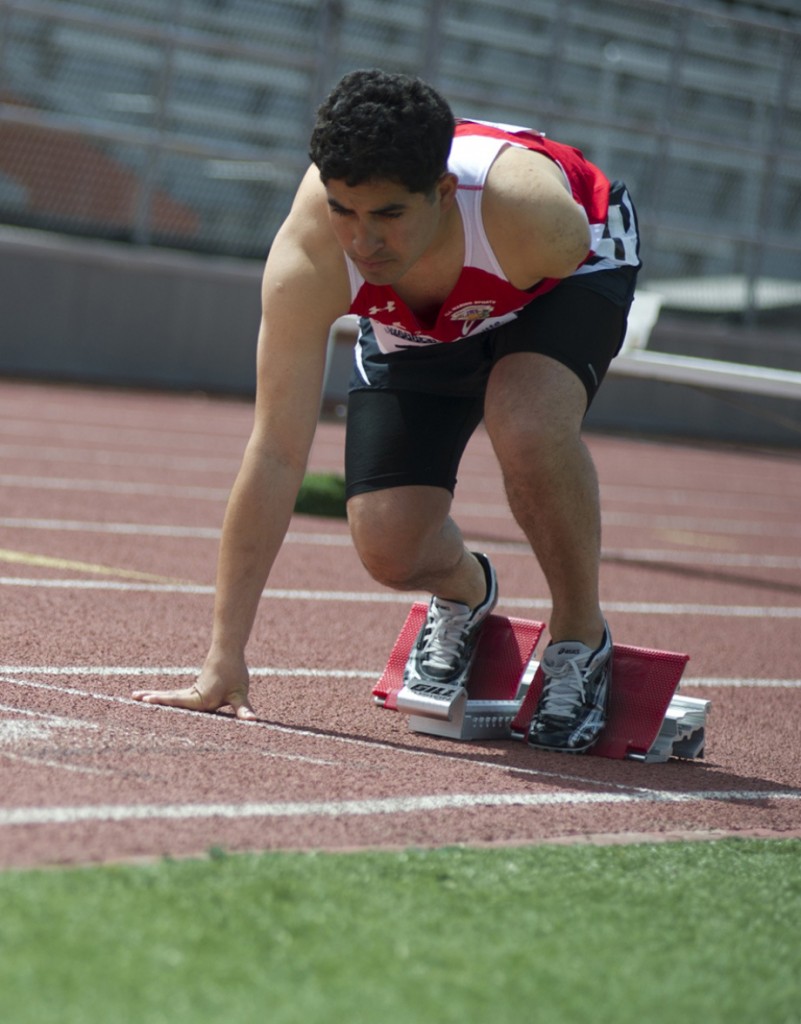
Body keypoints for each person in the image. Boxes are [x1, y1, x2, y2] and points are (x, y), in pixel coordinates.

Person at [133, 68, 641, 753]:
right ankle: (466, 590)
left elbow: (560, 298)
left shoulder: (538, 221)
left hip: (551, 279)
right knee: (388, 544)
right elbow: (276, 451)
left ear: (440, 192)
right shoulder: (312, 252)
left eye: (387, 216)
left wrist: (499, 353)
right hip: (419, 319)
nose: (362, 242)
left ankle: (579, 639)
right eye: (344, 210)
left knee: (523, 420)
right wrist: (224, 656)